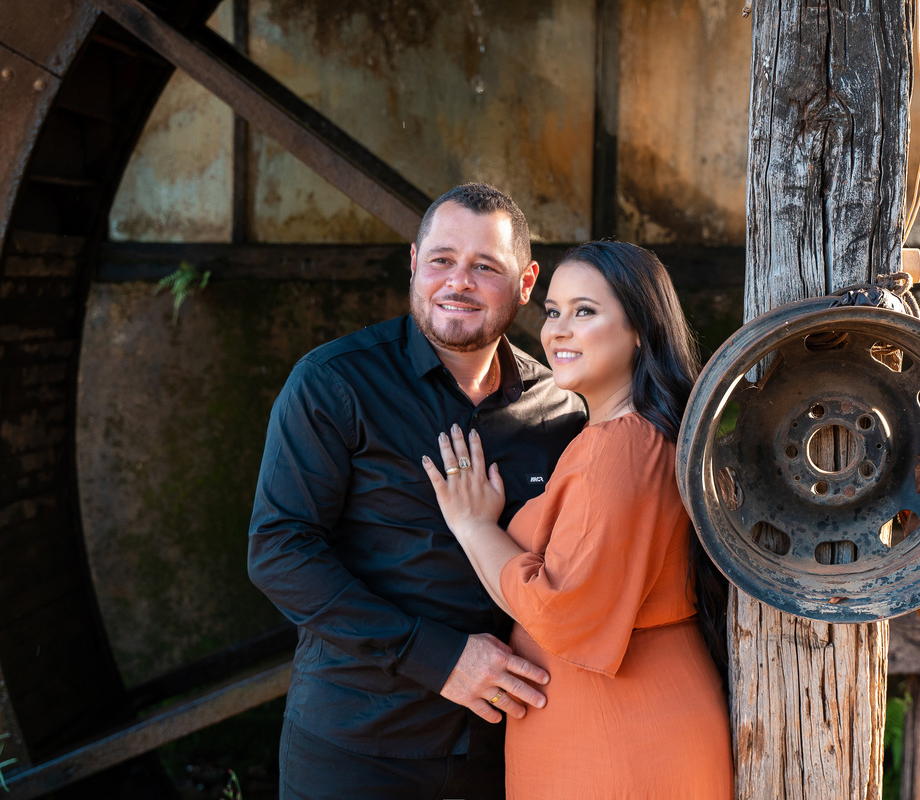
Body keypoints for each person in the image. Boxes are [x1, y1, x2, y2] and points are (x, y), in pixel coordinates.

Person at [248, 183, 588, 800]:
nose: (458, 281)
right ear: (414, 262)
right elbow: (279, 552)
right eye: (441, 260)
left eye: (486, 266)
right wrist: (439, 657)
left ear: (526, 281)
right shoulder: (334, 384)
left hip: (511, 745)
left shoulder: (562, 411)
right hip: (357, 747)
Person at [423, 241, 733, 798]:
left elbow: (561, 608)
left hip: (617, 740)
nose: (558, 330)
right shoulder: (630, 436)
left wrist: (473, 526)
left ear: (640, 327)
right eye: (553, 311)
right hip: (613, 725)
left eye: (584, 311)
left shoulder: (621, 447)